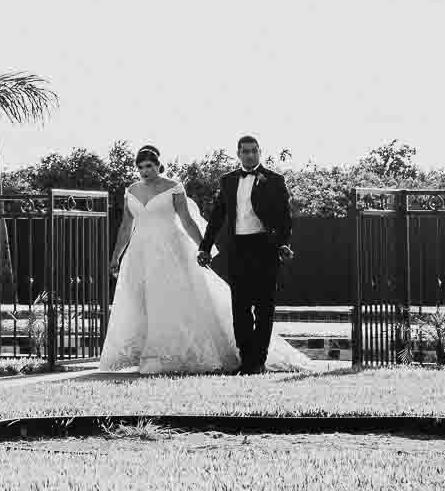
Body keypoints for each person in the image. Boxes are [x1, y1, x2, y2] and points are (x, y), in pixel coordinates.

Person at [98, 143, 310, 375]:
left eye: (149, 166)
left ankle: (249, 360)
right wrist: (116, 256)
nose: (145, 171)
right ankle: (145, 353)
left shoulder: (174, 188)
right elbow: (125, 227)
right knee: (143, 303)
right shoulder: (132, 190)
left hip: (174, 250)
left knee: (172, 300)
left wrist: (202, 248)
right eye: (140, 168)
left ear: (159, 165)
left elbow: (187, 221)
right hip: (140, 254)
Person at [197, 134, 295, 375]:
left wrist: (283, 243)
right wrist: (205, 247)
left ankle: (258, 361)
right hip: (238, 248)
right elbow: (218, 217)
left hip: (265, 247)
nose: (250, 155)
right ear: (238, 154)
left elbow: (285, 219)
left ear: (260, 152)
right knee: (240, 308)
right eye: (245, 151)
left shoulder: (275, 180)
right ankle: (246, 359)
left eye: (254, 151)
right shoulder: (228, 181)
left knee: (264, 307)